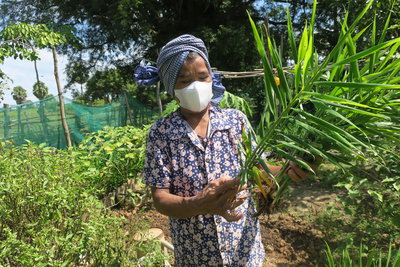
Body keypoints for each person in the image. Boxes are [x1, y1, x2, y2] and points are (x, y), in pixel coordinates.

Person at [134, 34, 315, 266]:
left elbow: (259, 169)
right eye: (184, 81)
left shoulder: (235, 121)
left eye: (202, 76)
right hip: (195, 255)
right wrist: (199, 204)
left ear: (211, 77)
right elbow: (160, 199)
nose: (196, 86)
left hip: (244, 250)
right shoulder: (161, 133)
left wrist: (290, 169)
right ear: (171, 87)